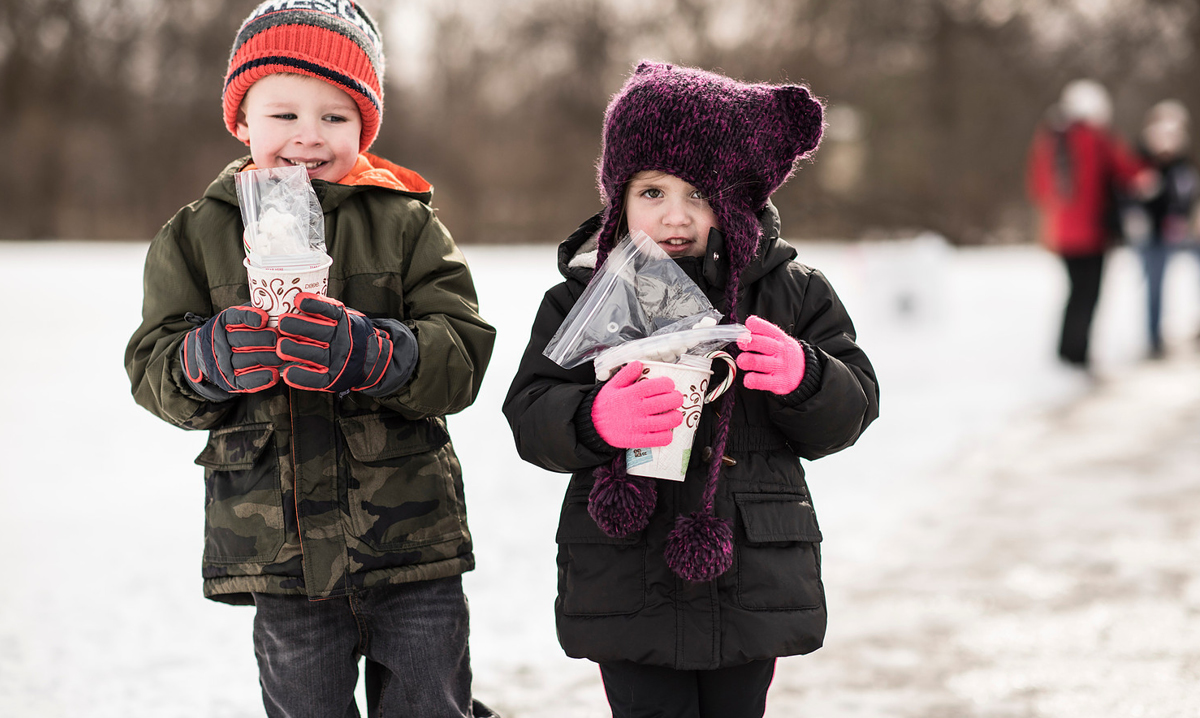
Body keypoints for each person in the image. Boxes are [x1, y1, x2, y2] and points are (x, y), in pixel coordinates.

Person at [124, 2, 497, 716]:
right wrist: (207, 360)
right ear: (241, 120)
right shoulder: (199, 234)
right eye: (284, 114)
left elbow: (463, 352)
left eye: (335, 117)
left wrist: (376, 352)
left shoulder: (406, 222)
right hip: (280, 552)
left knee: (430, 701)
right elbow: (153, 365)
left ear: (365, 126)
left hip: (409, 541)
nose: (308, 137)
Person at [502, 62, 879, 718]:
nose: (674, 216)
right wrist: (597, 418)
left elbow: (852, 410)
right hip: (627, 574)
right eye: (651, 192)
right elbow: (530, 413)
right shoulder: (583, 298)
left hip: (748, 570)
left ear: (734, 199)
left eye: (698, 194)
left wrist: (804, 375)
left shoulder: (791, 293)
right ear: (617, 194)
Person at [1027, 78, 1150, 368]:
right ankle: (1077, 355)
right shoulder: (1096, 138)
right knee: (1088, 295)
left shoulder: (1049, 140)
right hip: (1092, 235)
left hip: (1060, 235)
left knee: (1074, 293)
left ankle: (1067, 352)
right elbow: (1129, 171)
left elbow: (1038, 187)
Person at [1126, 99, 1200, 357]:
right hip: (1152, 235)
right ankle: (1153, 339)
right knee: (1154, 284)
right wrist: (1135, 213)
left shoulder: (1185, 165)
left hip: (1184, 232)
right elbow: (1126, 195)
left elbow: (1188, 197)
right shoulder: (1139, 161)